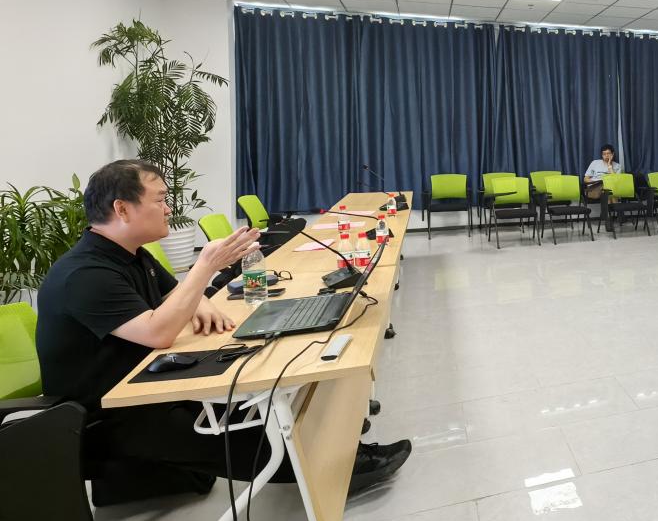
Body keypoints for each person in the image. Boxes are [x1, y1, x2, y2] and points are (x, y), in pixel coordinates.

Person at [34, 160, 410, 496]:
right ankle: (344, 468)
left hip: (152, 385)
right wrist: (205, 267)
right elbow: (157, 333)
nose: (168, 209)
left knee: (263, 400)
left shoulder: (129, 255)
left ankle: (340, 445)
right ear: (122, 209)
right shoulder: (85, 274)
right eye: (160, 199)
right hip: (113, 415)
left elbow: (177, 293)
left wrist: (198, 301)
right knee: (258, 439)